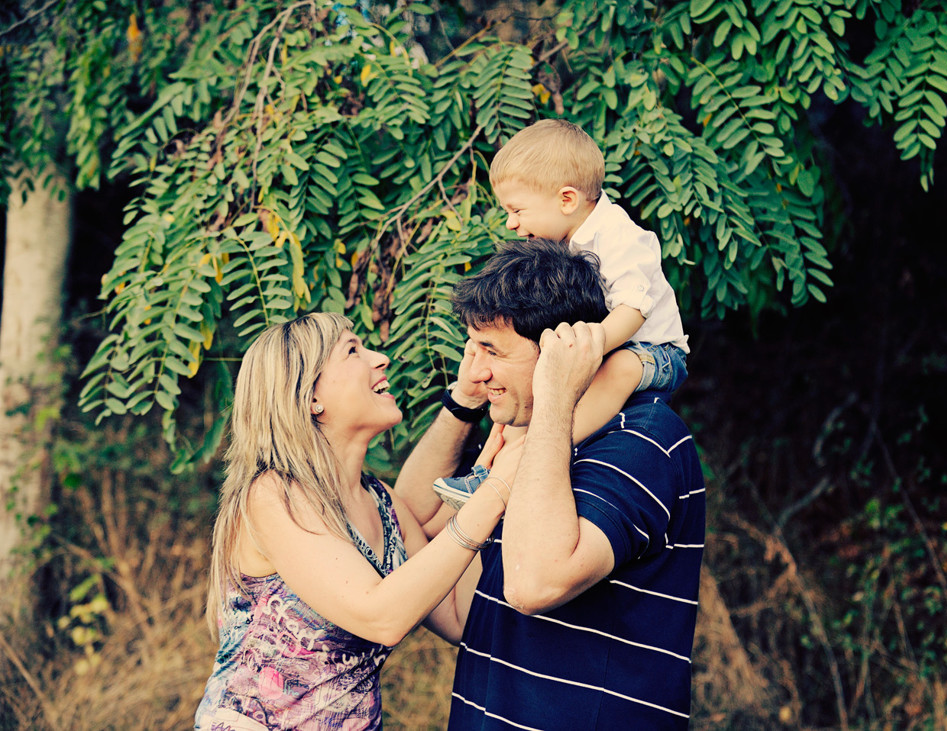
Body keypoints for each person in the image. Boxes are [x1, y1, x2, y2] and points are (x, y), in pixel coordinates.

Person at [395, 239, 706, 728]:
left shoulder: (643, 441)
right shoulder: (527, 443)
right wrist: (462, 402)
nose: (475, 370)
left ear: (559, 352)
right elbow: (424, 549)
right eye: (471, 346)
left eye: (491, 350)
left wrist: (557, 395)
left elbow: (533, 584)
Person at [194, 312, 514, 730]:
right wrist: (492, 496)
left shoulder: (382, 503)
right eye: (352, 350)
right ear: (310, 398)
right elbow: (381, 615)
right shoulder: (274, 494)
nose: (380, 358)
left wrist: (480, 426)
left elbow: (457, 615)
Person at [490, 118, 690, 439]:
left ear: (566, 200)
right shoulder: (560, 241)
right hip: (605, 348)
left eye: (517, 210)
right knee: (523, 375)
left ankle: (549, 448)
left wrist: (584, 350)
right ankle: (487, 466)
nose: (511, 224)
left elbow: (633, 308)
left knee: (618, 369)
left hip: (656, 353)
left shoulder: (616, 234)